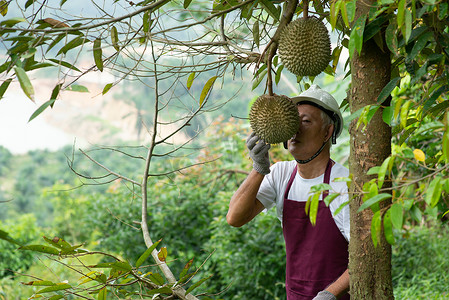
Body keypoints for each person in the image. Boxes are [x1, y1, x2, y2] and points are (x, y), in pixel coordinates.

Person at [227, 85, 350, 300]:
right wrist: (259, 169)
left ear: (327, 132)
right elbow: (235, 217)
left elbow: (366, 256)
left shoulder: (344, 184)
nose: (296, 130)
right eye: (293, 121)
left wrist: (330, 293)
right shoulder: (280, 173)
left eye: (305, 121)